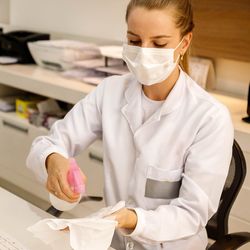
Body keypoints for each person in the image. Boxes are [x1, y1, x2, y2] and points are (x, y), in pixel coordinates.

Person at [26, 0, 234, 249]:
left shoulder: (209, 117)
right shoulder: (110, 92)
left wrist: (134, 220)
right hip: (113, 243)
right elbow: (48, 144)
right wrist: (53, 159)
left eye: (158, 44)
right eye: (134, 41)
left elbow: (191, 214)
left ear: (184, 43)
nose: (144, 52)